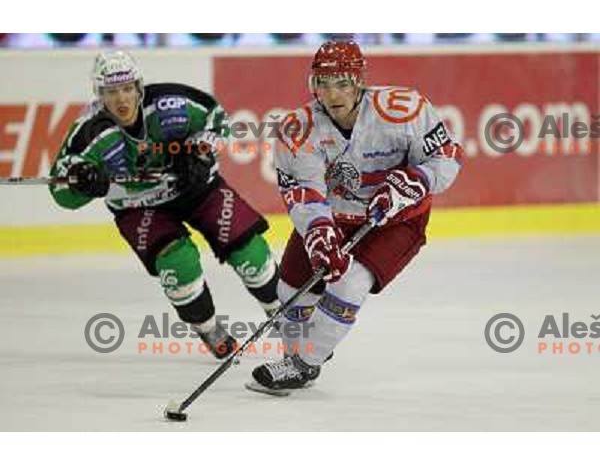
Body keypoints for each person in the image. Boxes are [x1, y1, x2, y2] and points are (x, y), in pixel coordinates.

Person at [246, 40, 464, 395]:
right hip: (333, 214)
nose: (332, 94)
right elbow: (305, 193)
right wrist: (318, 234)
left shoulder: (404, 109)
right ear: (312, 83)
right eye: (324, 83)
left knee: (349, 283)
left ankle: (304, 365)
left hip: (397, 220)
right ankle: (295, 357)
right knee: (289, 291)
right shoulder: (296, 129)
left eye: (343, 83)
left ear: (359, 82)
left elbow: (447, 156)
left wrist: (417, 179)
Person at [49, 51, 280, 359]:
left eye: (128, 88)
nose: (122, 99)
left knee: (249, 250)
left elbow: (217, 120)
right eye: (112, 91)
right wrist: (83, 183)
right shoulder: (88, 134)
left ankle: (281, 313)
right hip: (138, 206)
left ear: (139, 87)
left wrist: (200, 151)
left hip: (196, 189)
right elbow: (62, 191)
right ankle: (209, 330)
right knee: (178, 264)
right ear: (99, 94)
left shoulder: (171, 105)